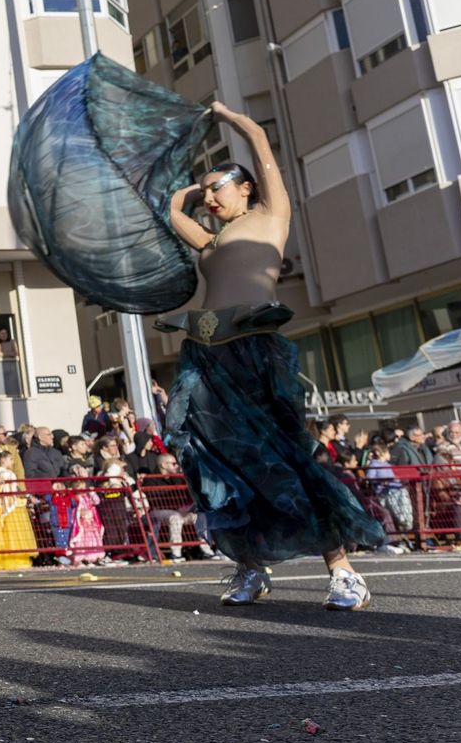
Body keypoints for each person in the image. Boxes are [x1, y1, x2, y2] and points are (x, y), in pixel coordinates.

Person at [164, 102, 383, 609]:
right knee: (220, 464)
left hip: (255, 351)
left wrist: (225, 116)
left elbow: (259, 142)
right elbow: (175, 212)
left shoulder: (269, 215)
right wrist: (194, 191)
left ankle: (344, 572)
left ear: (246, 188)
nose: (210, 198)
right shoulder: (210, 242)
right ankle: (250, 569)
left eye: (219, 187)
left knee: (284, 458)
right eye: (208, 192)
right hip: (208, 356)